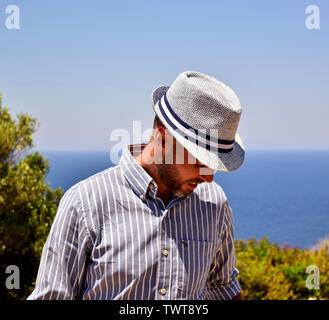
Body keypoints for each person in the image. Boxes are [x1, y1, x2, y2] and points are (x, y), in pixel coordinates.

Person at [28, 71, 245, 300]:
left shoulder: (214, 202)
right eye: (200, 163)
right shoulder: (85, 203)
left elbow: (223, 286)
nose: (208, 178)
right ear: (163, 140)